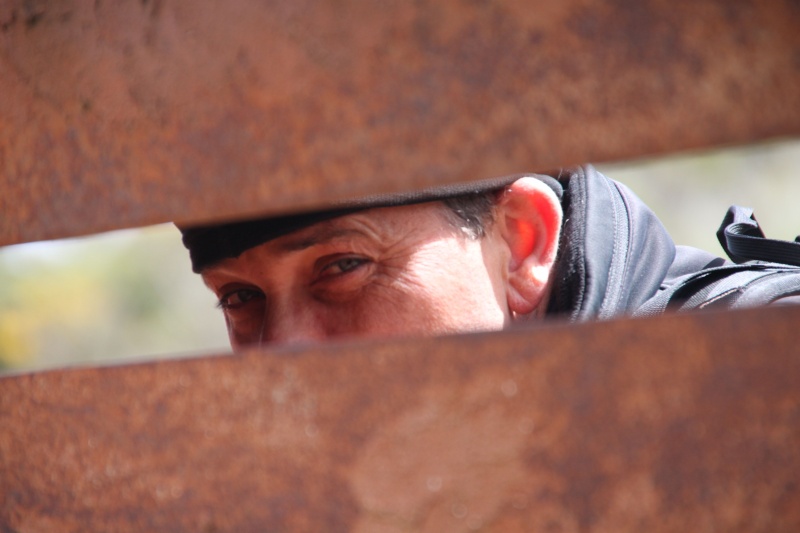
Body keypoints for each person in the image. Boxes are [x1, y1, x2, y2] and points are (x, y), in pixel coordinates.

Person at [180, 165, 800, 349]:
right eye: (240, 297)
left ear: (522, 244)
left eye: (343, 265)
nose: (285, 348)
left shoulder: (756, 361)